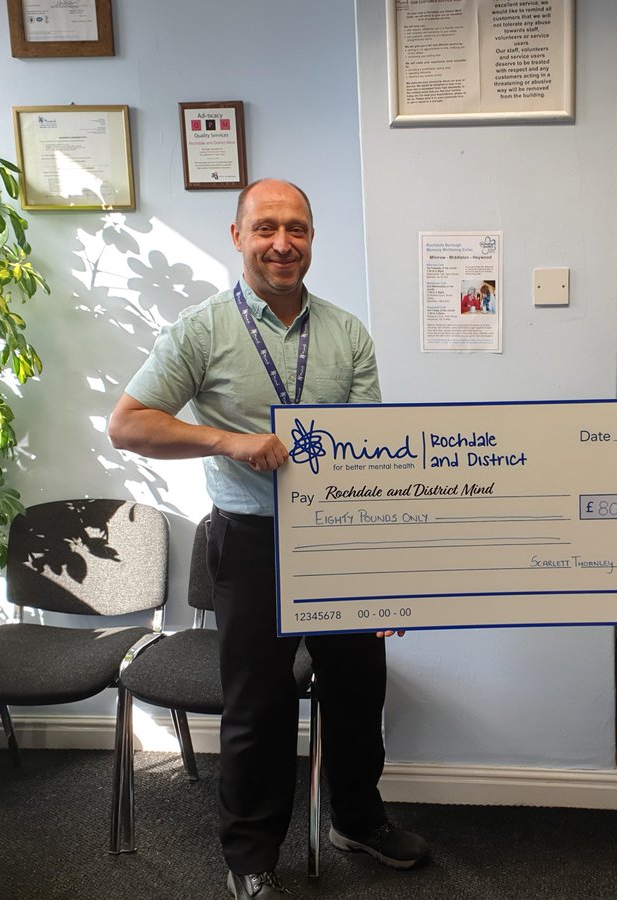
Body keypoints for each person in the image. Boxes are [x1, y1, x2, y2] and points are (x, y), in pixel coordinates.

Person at [108, 178, 429, 898]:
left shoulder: (347, 333)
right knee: (260, 703)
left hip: (341, 537)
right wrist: (225, 440)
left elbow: (372, 456)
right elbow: (128, 424)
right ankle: (251, 854)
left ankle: (358, 818)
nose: (282, 243)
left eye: (297, 229)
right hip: (251, 542)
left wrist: (386, 576)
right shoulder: (201, 329)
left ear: (312, 238)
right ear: (237, 236)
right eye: (266, 229)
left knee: (356, 688)